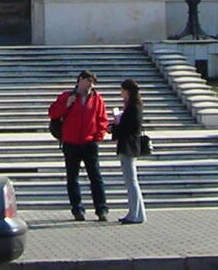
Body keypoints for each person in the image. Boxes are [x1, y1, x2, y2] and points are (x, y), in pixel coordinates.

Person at [48, 70, 110, 222]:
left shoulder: (97, 99)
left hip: (89, 143)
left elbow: (102, 120)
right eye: (89, 81)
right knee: (72, 178)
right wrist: (66, 105)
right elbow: (52, 113)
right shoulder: (67, 96)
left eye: (93, 83)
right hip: (71, 142)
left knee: (95, 177)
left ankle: (101, 209)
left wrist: (98, 136)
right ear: (80, 80)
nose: (91, 85)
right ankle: (77, 209)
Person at [113, 78, 147, 225]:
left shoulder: (133, 107)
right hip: (130, 144)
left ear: (127, 91)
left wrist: (115, 124)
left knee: (131, 181)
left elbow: (127, 128)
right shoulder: (134, 106)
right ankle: (134, 212)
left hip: (129, 145)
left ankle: (136, 214)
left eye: (122, 90)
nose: (121, 93)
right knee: (131, 181)